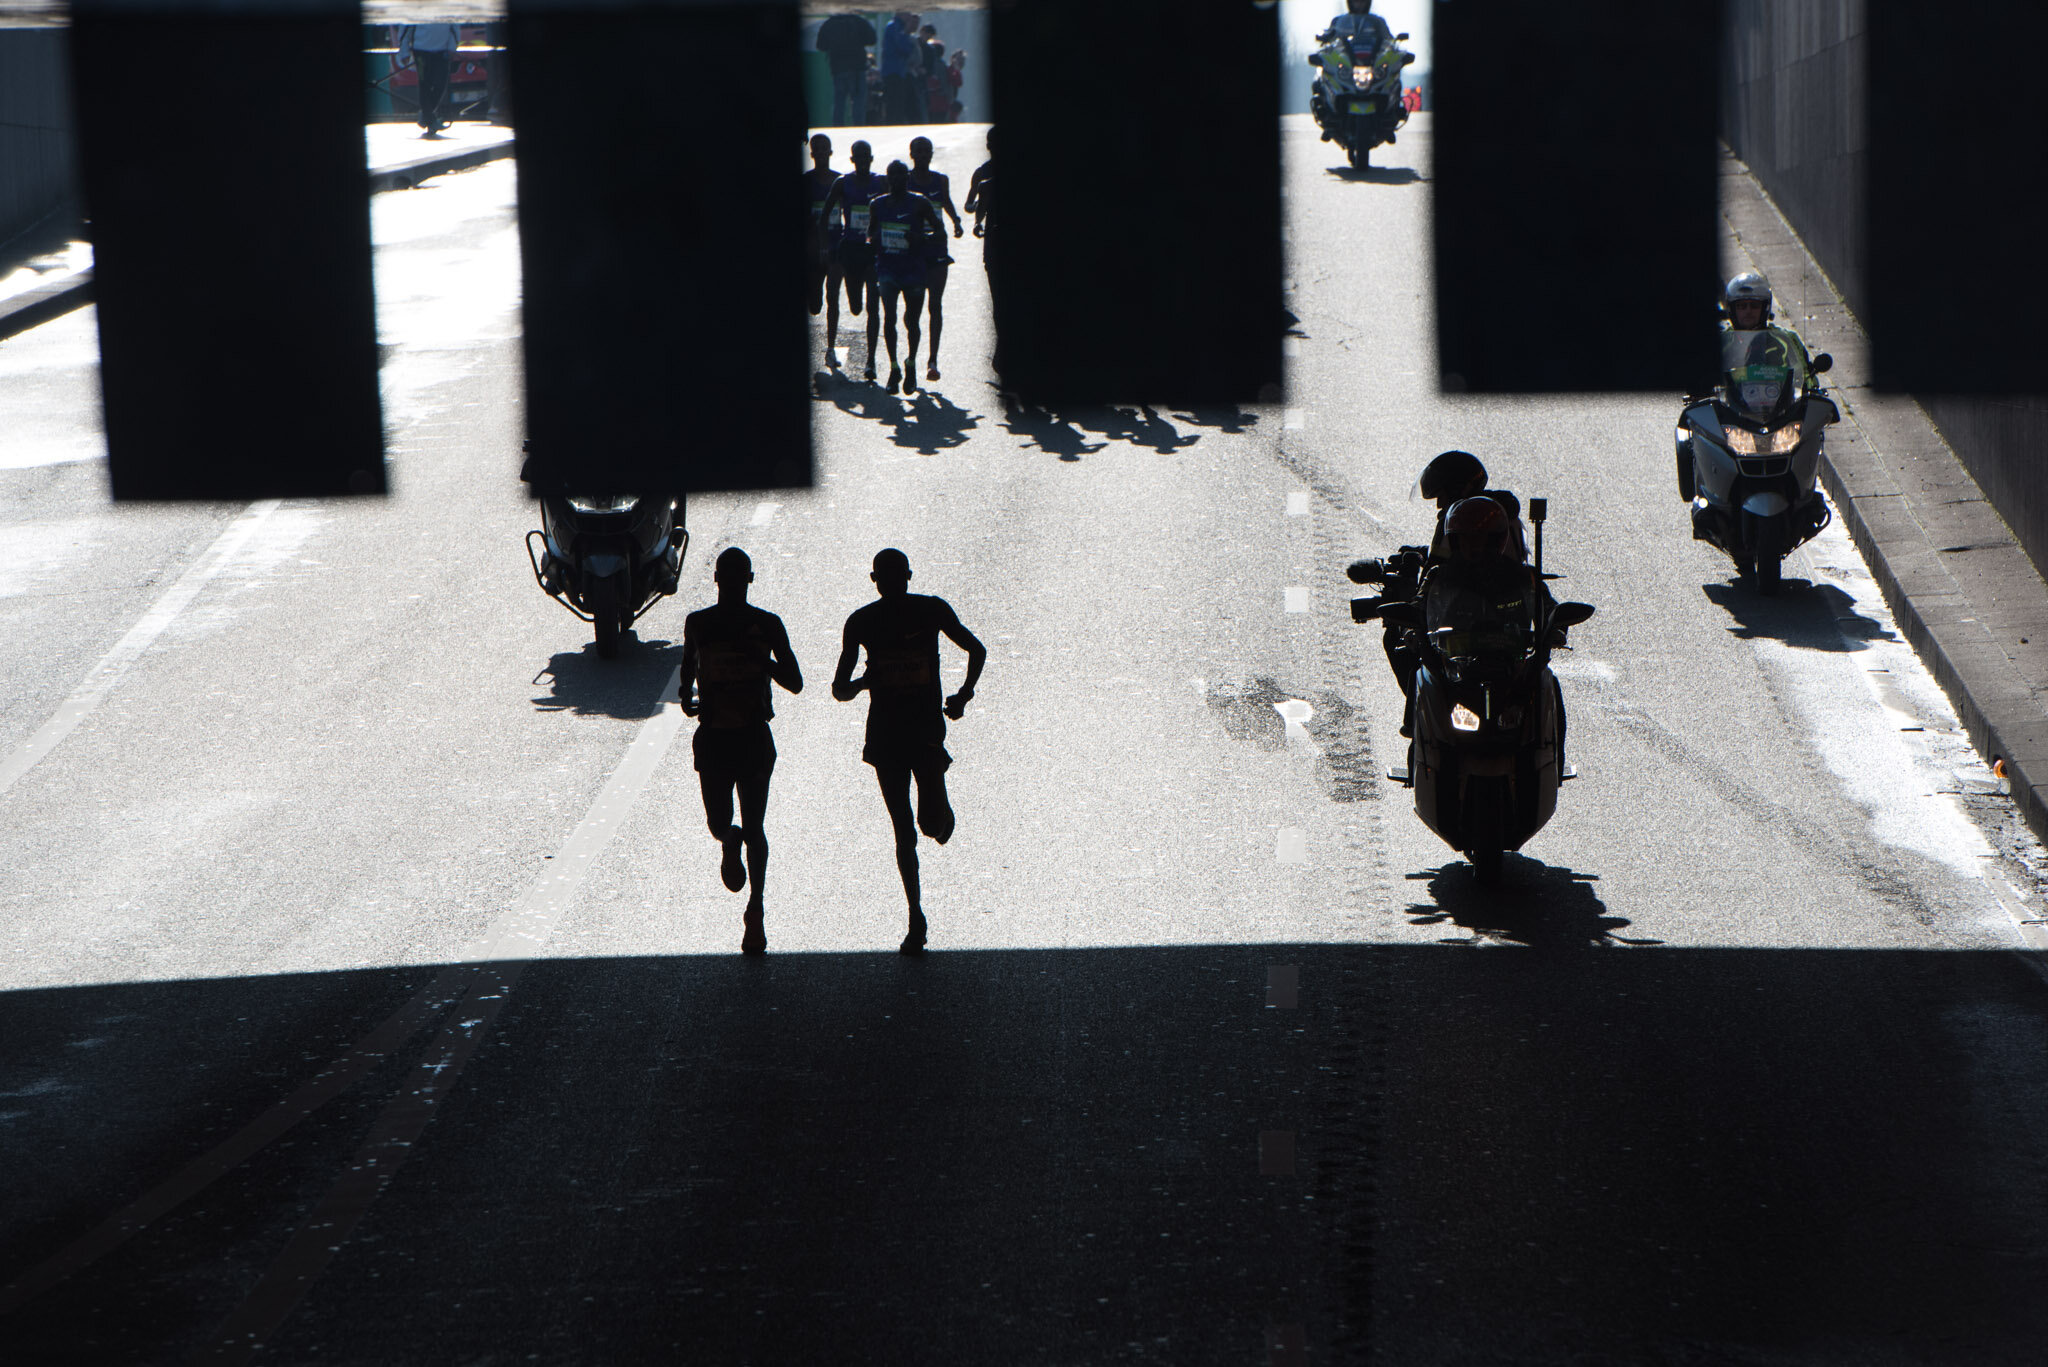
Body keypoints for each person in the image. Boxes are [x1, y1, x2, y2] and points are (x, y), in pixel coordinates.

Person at [832, 549, 987, 954]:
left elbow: (977, 649)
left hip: (923, 733)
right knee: (904, 831)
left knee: (929, 825)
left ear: (905, 577)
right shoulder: (862, 622)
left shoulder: (930, 611)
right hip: (886, 738)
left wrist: (964, 696)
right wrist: (866, 683)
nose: (892, 583)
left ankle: (940, 813)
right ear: (877, 580)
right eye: (888, 577)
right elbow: (839, 688)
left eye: (895, 576)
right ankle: (916, 916)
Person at [679, 548, 804, 955]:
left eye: (734, 579)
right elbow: (687, 674)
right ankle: (742, 873)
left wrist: (761, 663)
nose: (732, 585)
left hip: (734, 738)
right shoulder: (722, 624)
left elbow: (795, 681)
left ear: (735, 580)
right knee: (739, 826)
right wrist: (689, 697)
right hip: (733, 738)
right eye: (731, 579)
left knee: (739, 825)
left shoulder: (739, 625)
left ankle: (752, 899)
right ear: (734, 580)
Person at [868, 159, 946, 394]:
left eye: (902, 175)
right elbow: (870, 233)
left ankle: (910, 363)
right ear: (888, 178)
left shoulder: (920, 203)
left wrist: (921, 237)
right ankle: (893, 368)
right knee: (889, 317)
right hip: (887, 268)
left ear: (907, 178)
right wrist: (875, 238)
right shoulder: (877, 204)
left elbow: (939, 231)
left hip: (914, 270)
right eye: (893, 175)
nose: (897, 180)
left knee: (911, 321)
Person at [821, 140, 887, 377]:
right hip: (849, 250)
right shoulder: (843, 183)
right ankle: (830, 347)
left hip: (871, 251)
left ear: (871, 159)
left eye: (865, 156)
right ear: (852, 160)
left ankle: (870, 361)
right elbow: (826, 214)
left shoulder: (881, 182)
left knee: (873, 306)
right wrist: (826, 244)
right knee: (856, 306)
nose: (861, 161)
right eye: (857, 157)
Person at [907, 136, 965, 382]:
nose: (922, 155)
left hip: (937, 248)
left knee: (935, 305)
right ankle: (911, 356)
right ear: (912, 154)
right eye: (918, 151)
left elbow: (946, 202)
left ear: (931, 155)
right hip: (912, 251)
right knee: (912, 310)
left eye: (926, 151)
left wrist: (957, 222)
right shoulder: (903, 181)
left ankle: (932, 360)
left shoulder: (940, 181)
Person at [1720, 271, 1816, 398]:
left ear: (1765, 308)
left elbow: (1805, 378)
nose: (1748, 311)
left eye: (1754, 306)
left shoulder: (1786, 339)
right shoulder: (1721, 343)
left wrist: (1809, 388)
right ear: (1731, 309)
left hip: (1781, 412)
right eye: (1741, 306)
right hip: (1730, 413)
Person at [805, 134, 853, 361]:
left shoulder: (840, 181)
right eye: (818, 149)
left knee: (833, 295)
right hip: (813, 250)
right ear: (812, 153)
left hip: (836, 246)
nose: (822, 152)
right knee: (815, 306)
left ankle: (831, 348)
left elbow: (849, 211)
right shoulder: (806, 182)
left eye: (826, 148)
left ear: (831, 153)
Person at [815, 11, 877, 126]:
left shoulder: (829, 23)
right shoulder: (859, 21)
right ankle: (858, 129)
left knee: (839, 102)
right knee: (858, 102)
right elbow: (872, 39)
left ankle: (837, 128)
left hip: (838, 68)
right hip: (857, 68)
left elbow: (820, 45)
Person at [399, 23, 461, 138]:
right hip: (421, 50)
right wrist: (404, 52)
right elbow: (405, 27)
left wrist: (452, 47)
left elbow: (454, 25)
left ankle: (426, 116)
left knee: (441, 84)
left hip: (442, 51)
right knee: (424, 84)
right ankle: (430, 119)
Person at [881, 11, 921, 124]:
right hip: (894, 69)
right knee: (894, 100)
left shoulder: (895, 26)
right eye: (907, 14)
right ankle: (893, 122)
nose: (909, 17)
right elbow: (903, 46)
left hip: (896, 69)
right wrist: (910, 45)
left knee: (897, 99)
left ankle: (894, 121)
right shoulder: (896, 26)